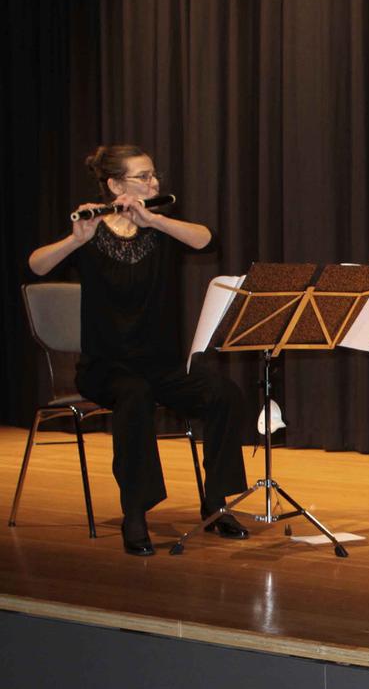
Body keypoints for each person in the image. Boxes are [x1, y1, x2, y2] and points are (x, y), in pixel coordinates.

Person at [28, 144, 251, 556]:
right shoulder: (92, 233)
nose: (154, 183)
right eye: (143, 177)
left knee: (224, 394)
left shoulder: (159, 230)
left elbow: (206, 240)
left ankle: (216, 503)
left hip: (161, 365)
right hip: (105, 368)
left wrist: (155, 219)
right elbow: (37, 265)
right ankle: (136, 512)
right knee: (134, 395)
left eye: (154, 176)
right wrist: (75, 240)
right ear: (114, 185)